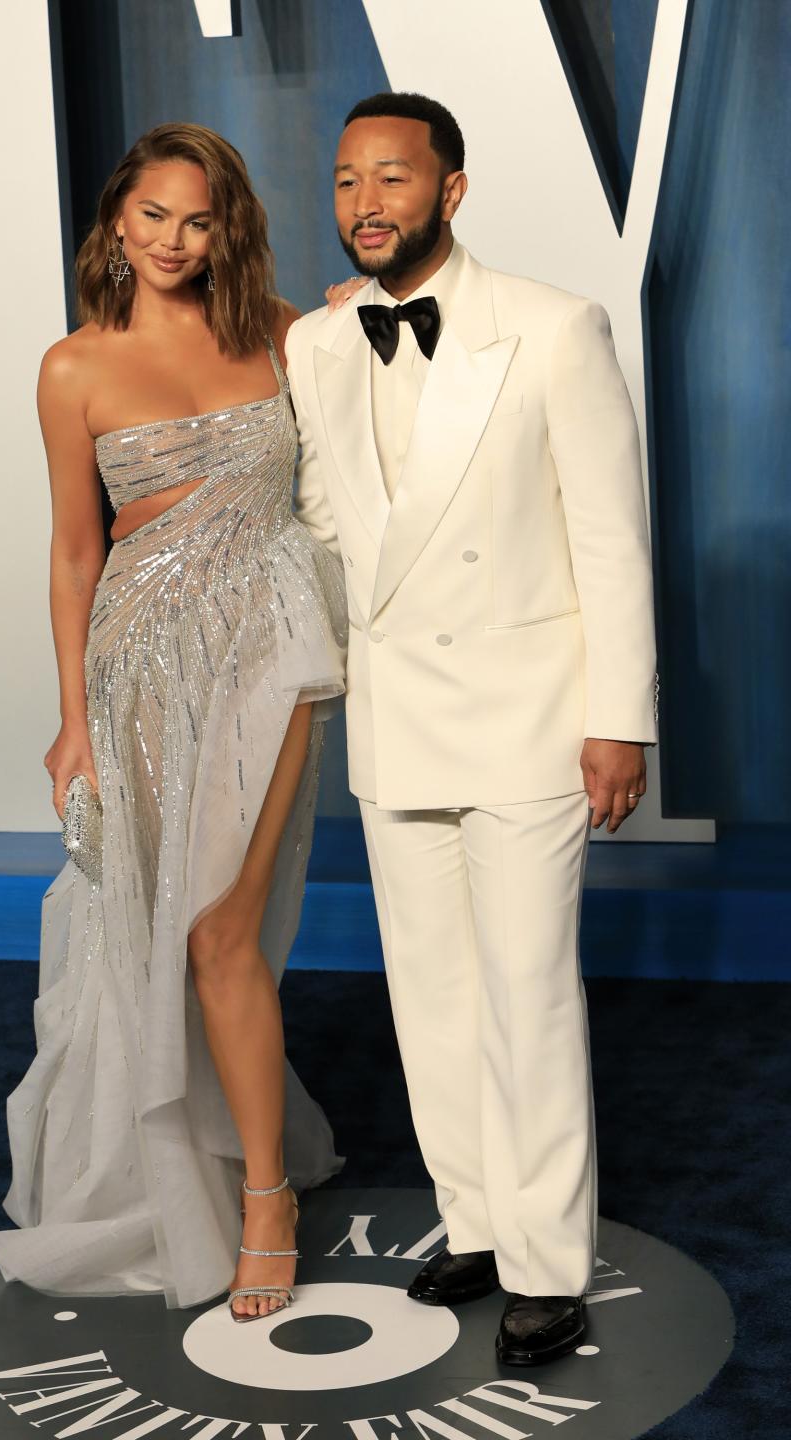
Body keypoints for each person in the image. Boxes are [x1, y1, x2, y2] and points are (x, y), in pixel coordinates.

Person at [287, 91, 658, 1365]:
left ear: (451, 189)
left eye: (392, 179)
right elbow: (336, 528)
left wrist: (621, 719)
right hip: (397, 716)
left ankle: (551, 1263)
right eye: (344, 182)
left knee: (528, 996)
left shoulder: (555, 327)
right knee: (431, 997)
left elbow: (611, 536)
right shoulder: (315, 346)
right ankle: (481, 1225)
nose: (364, 205)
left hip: (531, 718)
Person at [0, 124, 347, 1322]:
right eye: (153, 217)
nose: (175, 241)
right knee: (160, 930)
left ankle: (266, 1203)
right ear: (116, 223)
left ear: (223, 225)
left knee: (222, 928)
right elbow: (77, 551)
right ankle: (198, 1160)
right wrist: (73, 721)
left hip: (273, 643)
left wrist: (353, 315)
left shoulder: (286, 333)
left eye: (197, 220)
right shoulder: (72, 367)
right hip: (138, 658)